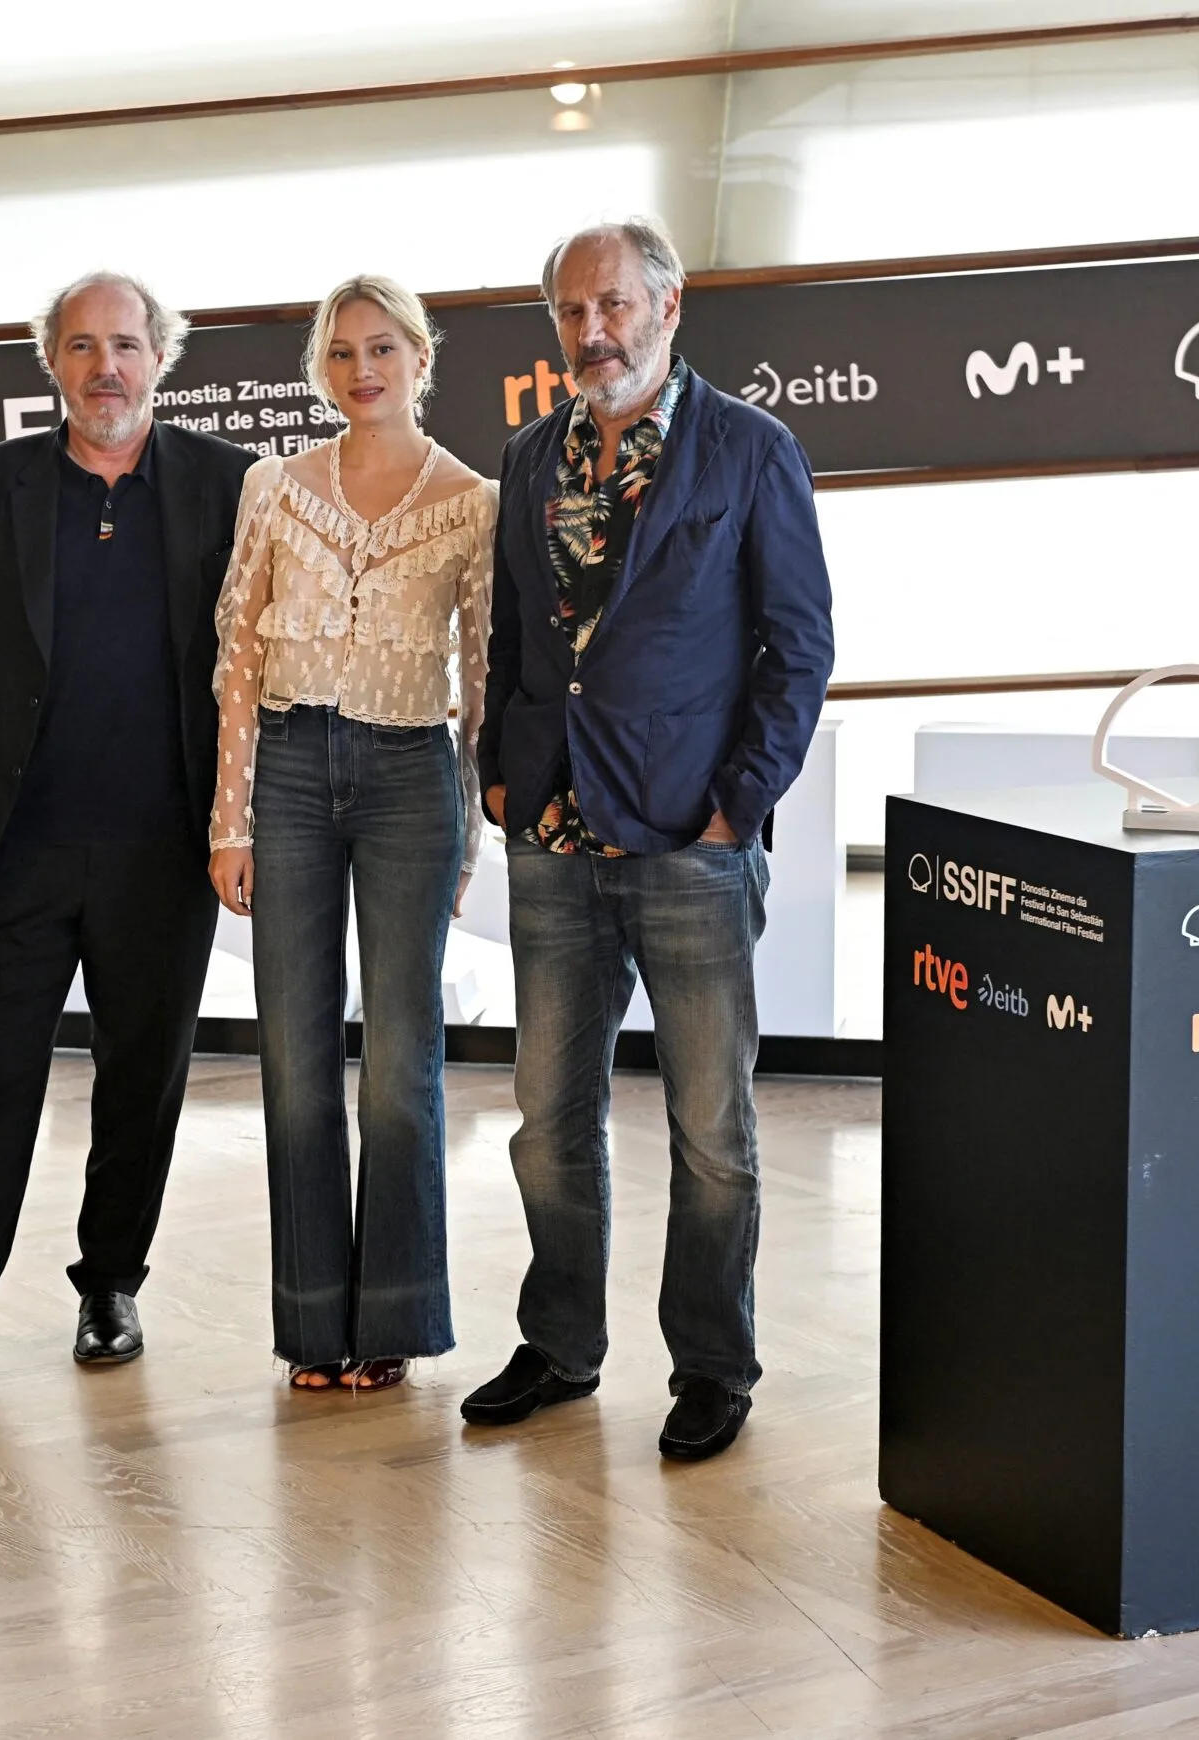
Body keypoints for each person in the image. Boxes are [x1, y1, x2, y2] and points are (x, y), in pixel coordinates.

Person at [459, 219, 834, 1461]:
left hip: (690, 839)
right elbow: (517, 634)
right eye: (570, 312)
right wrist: (497, 775)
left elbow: (800, 647)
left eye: (612, 305)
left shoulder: (749, 448)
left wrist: (738, 805)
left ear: (668, 308)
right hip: (552, 833)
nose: (591, 332)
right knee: (545, 1118)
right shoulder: (528, 454)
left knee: (710, 1129)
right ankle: (562, 1345)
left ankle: (713, 1365)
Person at [0, 271, 257, 1379]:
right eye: (82, 347)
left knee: (142, 1079)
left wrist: (245, 825)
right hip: (17, 840)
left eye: (125, 345)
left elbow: (259, 665)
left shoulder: (230, 486)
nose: (105, 368)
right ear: (53, 364)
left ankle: (111, 1291)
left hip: (165, 845)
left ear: (160, 358)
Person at [207, 276, 495, 1394]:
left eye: (381, 349)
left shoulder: (472, 501)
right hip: (283, 769)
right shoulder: (272, 487)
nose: (361, 371)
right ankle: (311, 1325)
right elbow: (235, 658)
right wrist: (229, 822)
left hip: (411, 780)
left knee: (400, 1065)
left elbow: (481, 683)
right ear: (319, 369)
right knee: (294, 1056)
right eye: (340, 354)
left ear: (421, 358)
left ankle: (396, 1320)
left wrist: (465, 841)